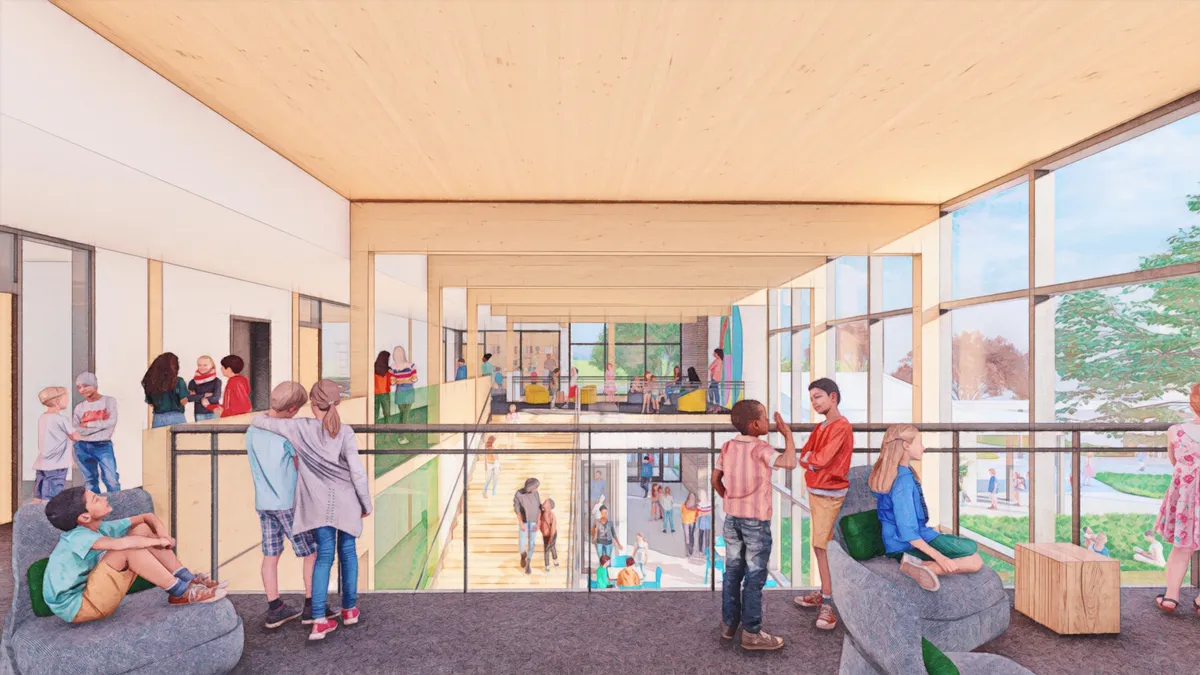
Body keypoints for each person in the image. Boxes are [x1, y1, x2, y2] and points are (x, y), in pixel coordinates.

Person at [250, 380, 373, 641]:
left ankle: (318, 619)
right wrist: (366, 503)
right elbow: (358, 475)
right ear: (336, 403)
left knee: (324, 556)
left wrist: (269, 409)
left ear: (311, 404)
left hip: (316, 505)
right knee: (348, 554)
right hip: (347, 502)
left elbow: (262, 422)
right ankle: (349, 610)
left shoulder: (299, 428)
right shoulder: (346, 432)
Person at [42, 487, 226, 624]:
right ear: (84, 518)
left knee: (142, 529)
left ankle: (187, 579)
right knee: (128, 548)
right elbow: (122, 544)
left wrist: (163, 535)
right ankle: (181, 592)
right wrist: (158, 542)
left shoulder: (100, 527)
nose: (105, 498)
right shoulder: (78, 537)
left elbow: (146, 517)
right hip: (78, 607)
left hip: (89, 592)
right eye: (96, 499)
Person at [711, 399, 797, 651]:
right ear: (754, 424)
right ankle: (751, 632)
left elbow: (716, 479)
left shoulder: (728, 446)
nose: (769, 422)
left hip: (732, 518)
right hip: (756, 522)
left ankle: (729, 625)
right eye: (765, 418)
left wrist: (728, 497)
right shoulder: (761, 448)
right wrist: (788, 435)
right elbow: (789, 462)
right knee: (755, 576)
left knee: (732, 572)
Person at [870, 424, 984, 594]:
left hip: (896, 542)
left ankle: (919, 565)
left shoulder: (897, 473)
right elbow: (907, 529)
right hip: (906, 544)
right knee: (972, 554)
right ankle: (922, 566)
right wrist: (940, 558)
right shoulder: (903, 481)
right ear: (906, 446)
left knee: (972, 557)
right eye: (920, 442)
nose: (924, 447)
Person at [247, 382, 321, 628]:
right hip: (287, 502)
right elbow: (300, 464)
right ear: (291, 409)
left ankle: (275, 607)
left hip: (263, 501)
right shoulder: (287, 432)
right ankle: (312, 606)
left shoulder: (252, 430)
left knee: (271, 553)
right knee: (311, 553)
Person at [792, 378, 853, 631]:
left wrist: (811, 459)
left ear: (833, 397)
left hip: (830, 493)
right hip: (818, 492)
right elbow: (805, 456)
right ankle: (825, 592)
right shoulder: (821, 428)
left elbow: (821, 459)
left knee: (822, 546)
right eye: (812, 398)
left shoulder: (841, 426)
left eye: (818, 397)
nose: (814, 403)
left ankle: (828, 602)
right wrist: (811, 459)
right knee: (820, 545)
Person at [1153, 383, 1199, 615]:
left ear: (1192, 403)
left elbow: (1175, 461)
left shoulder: (1175, 430)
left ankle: (1171, 597)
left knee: (1181, 547)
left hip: (1186, 496)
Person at [72, 372, 120, 493]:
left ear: (95, 385)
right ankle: (95, 510)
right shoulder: (79, 407)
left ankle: (118, 509)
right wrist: (99, 425)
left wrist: (88, 425)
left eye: (85, 385)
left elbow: (111, 422)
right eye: (79, 387)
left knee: (111, 479)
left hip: (103, 445)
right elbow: (76, 428)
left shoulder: (109, 401)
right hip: (81, 446)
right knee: (90, 482)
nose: (82, 390)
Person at [34, 387, 80, 503]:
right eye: (66, 398)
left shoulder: (43, 417)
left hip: (43, 461)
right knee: (52, 494)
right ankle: (47, 514)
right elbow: (75, 436)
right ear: (57, 402)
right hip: (57, 463)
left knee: (39, 490)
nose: (67, 400)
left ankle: (35, 511)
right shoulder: (61, 419)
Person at [142, 353, 189, 428]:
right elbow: (183, 401)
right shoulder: (179, 381)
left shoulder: (151, 382)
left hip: (158, 418)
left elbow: (151, 403)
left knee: (159, 440)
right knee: (179, 439)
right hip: (176, 417)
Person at [513, 477, 542, 575]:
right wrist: (520, 522)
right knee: (522, 543)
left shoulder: (536, 494)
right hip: (524, 522)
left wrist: (538, 522)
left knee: (532, 543)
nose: (536, 489)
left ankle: (528, 561)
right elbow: (516, 509)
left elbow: (539, 508)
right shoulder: (519, 494)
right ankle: (523, 555)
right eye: (535, 487)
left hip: (534, 522)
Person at [390, 346, 418, 444]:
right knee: (404, 415)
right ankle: (401, 436)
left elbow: (414, 379)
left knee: (404, 414)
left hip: (407, 393)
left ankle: (401, 435)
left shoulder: (411, 365)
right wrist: (406, 379)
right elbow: (392, 381)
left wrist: (400, 380)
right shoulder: (393, 367)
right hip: (402, 393)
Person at [187, 355, 222, 422]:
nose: (202, 367)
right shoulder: (193, 382)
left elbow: (216, 397)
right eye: (199, 365)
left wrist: (198, 397)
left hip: (214, 412)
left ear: (212, 366)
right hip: (200, 413)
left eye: (205, 365)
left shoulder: (217, 381)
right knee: (201, 432)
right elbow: (190, 398)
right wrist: (204, 395)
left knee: (215, 432)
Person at [373, 350, 393, 422]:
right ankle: (387, 429)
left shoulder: (373, 368)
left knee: (375, 413)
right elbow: (391, 382)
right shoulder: (388, 370)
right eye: (388, 358)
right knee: (387, 413)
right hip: (384, 394)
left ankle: (373, 429)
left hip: (375, 394)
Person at [539, 498, 559, 572]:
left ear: (549, 506)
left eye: (546, 502)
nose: (544, 502)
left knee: (552, 548)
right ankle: (547, 565)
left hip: (552, 535)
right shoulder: (542, 512)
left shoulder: (551, 515)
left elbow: (553, 527)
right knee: (546, 550)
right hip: (545, 535)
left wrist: (551, 537)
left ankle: (555, 559)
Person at [681, 492, 699, 557]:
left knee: (687, 536)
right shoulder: (695, 506)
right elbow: (697, 514)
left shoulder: (684, 504)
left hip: (687, 521)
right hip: (691, 521)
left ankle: (688, 550)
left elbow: (682, 511)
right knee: (690, 535)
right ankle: (690, 548)